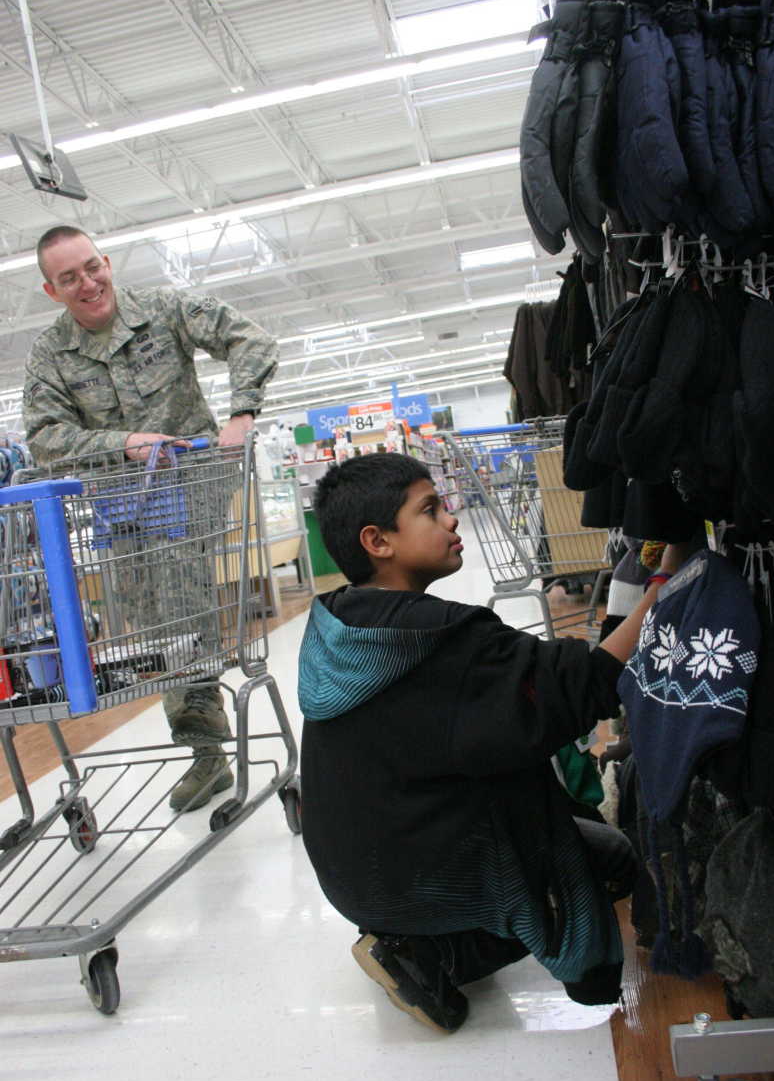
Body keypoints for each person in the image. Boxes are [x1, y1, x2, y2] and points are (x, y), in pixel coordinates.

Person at [297, 452, 690, 1033]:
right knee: (610, 863)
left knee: (586, 837)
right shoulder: (440, 641)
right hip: (420, 876)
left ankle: (412, 932)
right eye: (430, 509)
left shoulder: (340, 626)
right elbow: (582, 686)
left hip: (356, 875)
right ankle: (433, 955)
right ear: (378, 541)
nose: (452, 518)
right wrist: (665, 582)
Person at [23, 225, 278, 812]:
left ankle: (204, 740)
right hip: (121, 501)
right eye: (70, 278)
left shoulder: (164, 309)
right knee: (150, 620)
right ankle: (202, 740)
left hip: (192, 479)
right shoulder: (50, 353)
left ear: (107, 262)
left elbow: (250, 339)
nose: (88, 284)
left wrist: (241, 413)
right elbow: (44, 437)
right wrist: (124, 443)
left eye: (93, 267)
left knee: (180, 590)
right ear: (52, 290)